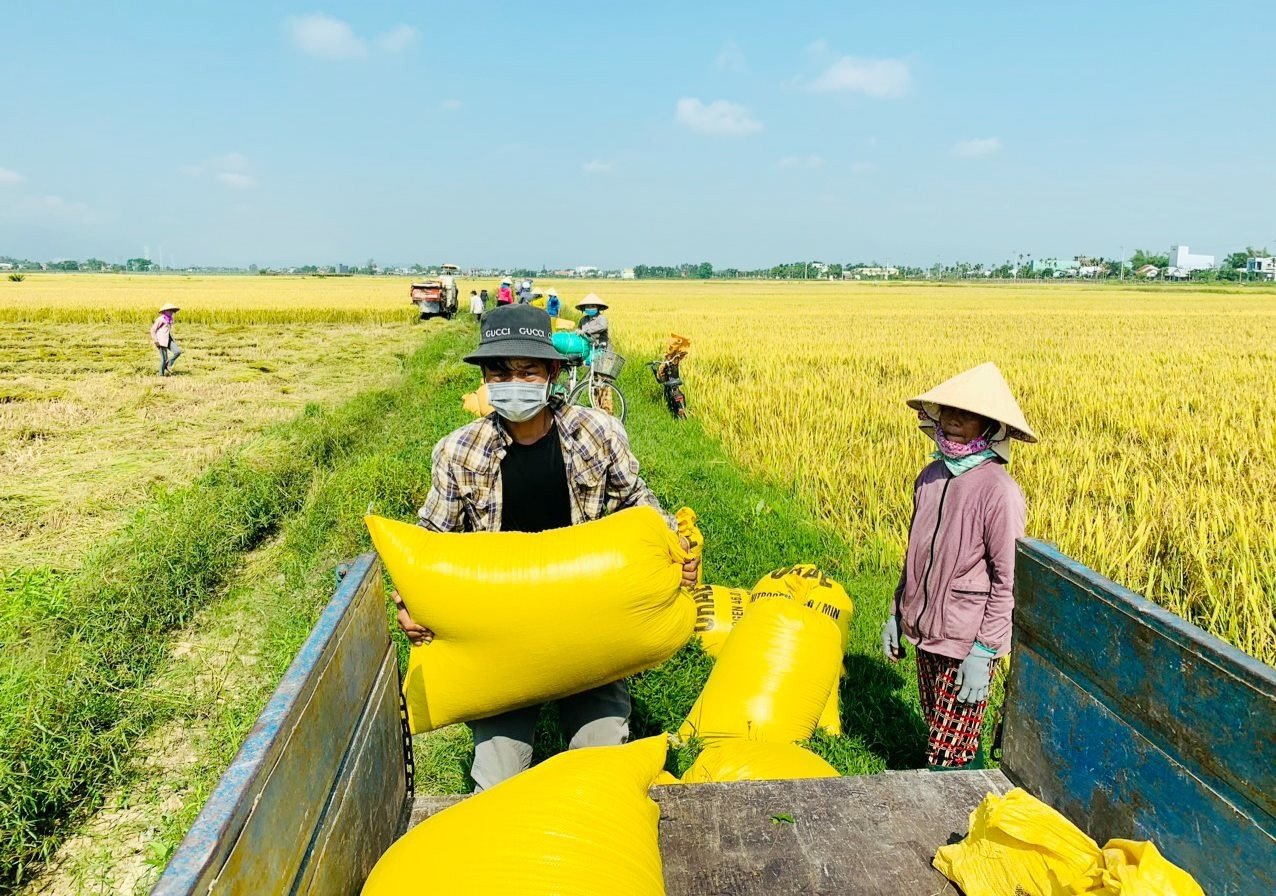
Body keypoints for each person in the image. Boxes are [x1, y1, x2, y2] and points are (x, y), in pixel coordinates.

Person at [395, 304, 698, 792]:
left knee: (599, 766)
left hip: (592, 623)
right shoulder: (458, 452)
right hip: (501, 634)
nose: (512, 381)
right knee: (497, 782)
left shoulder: (598, 435)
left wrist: (675, 549)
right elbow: (430, 541)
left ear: (553, 372)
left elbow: (639, 504)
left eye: (527, 370)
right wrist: (411, 605)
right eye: (499, 371)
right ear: (485, 377)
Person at [882, 362, 1035, 770]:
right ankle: (974, 804)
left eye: (965, 414)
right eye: (947, 410)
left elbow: (1008, 581)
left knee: (949, 755)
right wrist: (898, 614)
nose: (951, 421)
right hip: (925, 633)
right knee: (943, 735)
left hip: (967, 640)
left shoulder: (999, 492)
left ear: (989, 426)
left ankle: (953, 822)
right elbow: (915, 555)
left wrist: (983, 653)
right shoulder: (930, 477)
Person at [149, 302, 183, 376]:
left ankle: (168, 364)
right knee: (164, 359)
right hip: (161, 341)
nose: (171, 312)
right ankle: (161, 375)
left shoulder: (171, 319)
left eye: (172, 311)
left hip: (168, 339)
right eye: (169, 310)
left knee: (177, 352)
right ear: (164, 311)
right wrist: (156, 341)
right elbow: (153, 330)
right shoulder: (160, 319)